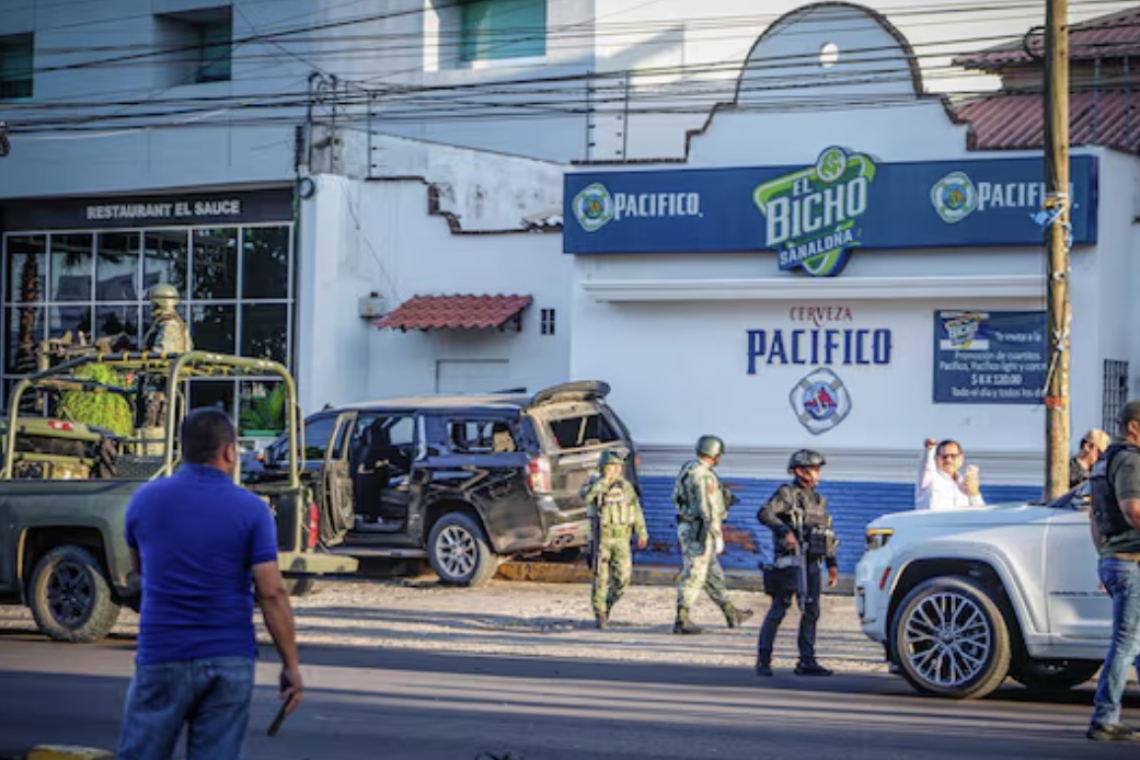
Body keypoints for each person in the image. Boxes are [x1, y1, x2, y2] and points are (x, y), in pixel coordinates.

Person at [116, 408, 302, 760]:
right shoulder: (252, 510)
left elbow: (140, 570)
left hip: (162, 654)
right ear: (229, 451)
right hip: (227, 658)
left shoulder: (144, 500)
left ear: (183, 449)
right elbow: (271, 591)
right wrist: (290, 665)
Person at [755, 449, 839, 677]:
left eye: (818, 469)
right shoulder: (786, 494)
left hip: (812, 563)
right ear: (800, 471)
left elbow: (826, 532)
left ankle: (807, 661)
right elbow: (764, 513)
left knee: (812, 610)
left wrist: (832, 563)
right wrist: (785, 532)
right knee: (779, 609)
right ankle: (763, 661)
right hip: (789, 562)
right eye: (814, 469)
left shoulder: (818, 500)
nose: (818, 473)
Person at [1086, 400, 1140, 742]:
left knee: (1135, 640)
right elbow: (1133, 508)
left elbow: (1093, 519)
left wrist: (1104, 557)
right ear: (1134, 426)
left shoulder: (1102, 461)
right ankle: (1105, 717)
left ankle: (1107, 715)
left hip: (1114, 558)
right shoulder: (1131, 460)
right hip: (1131, 560)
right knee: (1125, 642)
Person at [671, 435, 753, 634]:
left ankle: (730, 612)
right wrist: (716, 534)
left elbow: (680, 498)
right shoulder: (704, 476)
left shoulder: (688, 469)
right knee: (694, 574)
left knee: (713, 574)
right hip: (700, 531)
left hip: (689, 527)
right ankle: (681, 619)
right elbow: (707, 507)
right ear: (714, 454)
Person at [580, 448, 648, 629]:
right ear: (604, 467)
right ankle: (600, 614)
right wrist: (603, 483)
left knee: (623, 578)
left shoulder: (626, 487)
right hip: (602, 539)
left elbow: (636, 510)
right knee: (600, 578)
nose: (617, 471)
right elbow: (586, 497)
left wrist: (641, 532)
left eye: (619, 467)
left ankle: (607, 604)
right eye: (613, 467)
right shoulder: (594, 483)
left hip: (622, 539)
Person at [915, 438, 985, 510]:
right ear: (936, 459)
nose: (948, 460)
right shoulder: (929, 479)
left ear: (961, 458)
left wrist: (975, 493)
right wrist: (930, 449)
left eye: (953, 456)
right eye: (944, 457)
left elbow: (980, 512)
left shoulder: (964, 482)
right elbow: (926, 465)